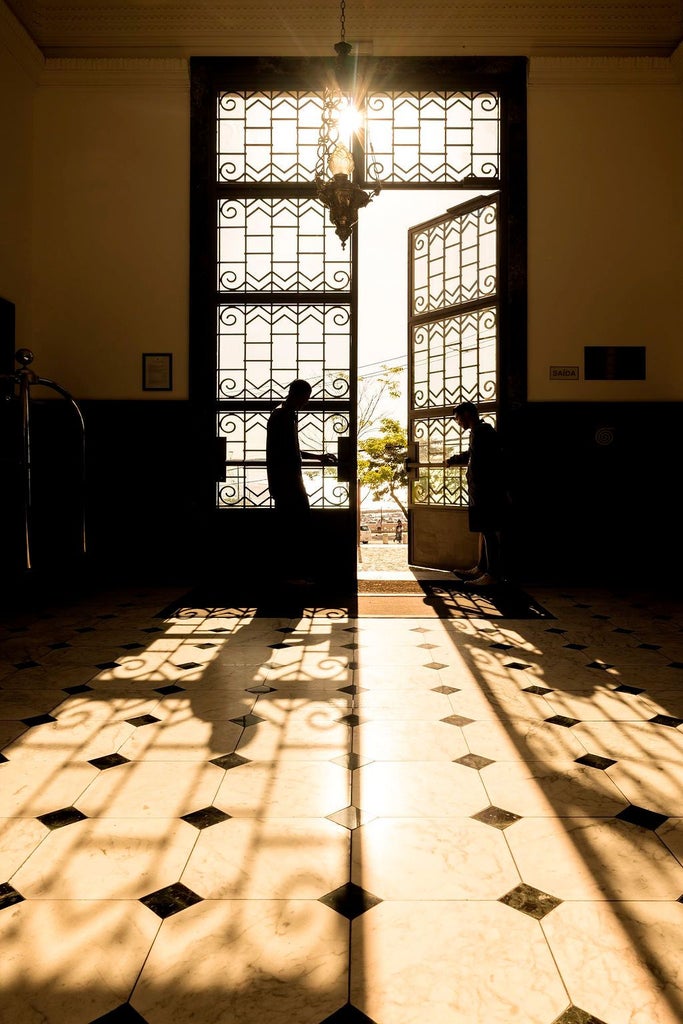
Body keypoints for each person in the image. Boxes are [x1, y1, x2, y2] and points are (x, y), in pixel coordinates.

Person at [266, 378, 337, 585]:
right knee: (296, 527)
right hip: (288, 480)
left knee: (290, 527)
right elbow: (289, 452)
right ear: (298, 395)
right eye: (306, 397)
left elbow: (290, 450)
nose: (307, 402)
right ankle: (293, 575)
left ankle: (289, 574)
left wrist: (317, 457)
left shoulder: (281, 413)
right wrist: (316, 459)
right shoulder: (284, 416)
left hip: (283, 480)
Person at [446, 401, 507, 586]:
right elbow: (473, 455)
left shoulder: (481, 433)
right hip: (483, 489)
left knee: (488, 531)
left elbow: (483, 461)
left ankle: (492, 574)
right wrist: (455, 459)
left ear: (466, 415)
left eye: (457, 419)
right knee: (485, 530)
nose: (457, 423)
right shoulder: (481, 432)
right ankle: (481, 568)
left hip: (485, 490)